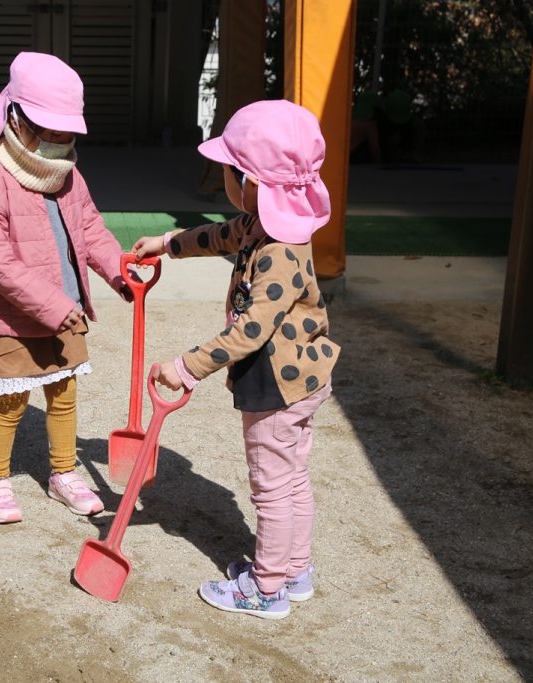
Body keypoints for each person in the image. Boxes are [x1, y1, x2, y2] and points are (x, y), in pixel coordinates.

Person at [132, 100, 340, 619]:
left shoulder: (279, 252)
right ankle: (294, 571)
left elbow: (251, 330)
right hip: (303, 378)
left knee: (272, 488)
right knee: (292, 477)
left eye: (229, 169)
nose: (223, 177)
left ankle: (265, 590)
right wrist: (166, 244)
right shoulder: (264, 225)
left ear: (252, 182)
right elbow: (217, 235)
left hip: (276, 387)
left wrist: (186, 367)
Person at [0, 51, 134, 524]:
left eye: (66, 133)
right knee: (11, 401)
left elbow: (91, 228)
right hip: (13, 317)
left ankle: (63, 472)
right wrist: (51, 304)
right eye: (48, 130)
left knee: (63, 395)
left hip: (65, 310)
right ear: (15, 118)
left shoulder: (69, 176)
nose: (58, 142)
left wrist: (118, 270)